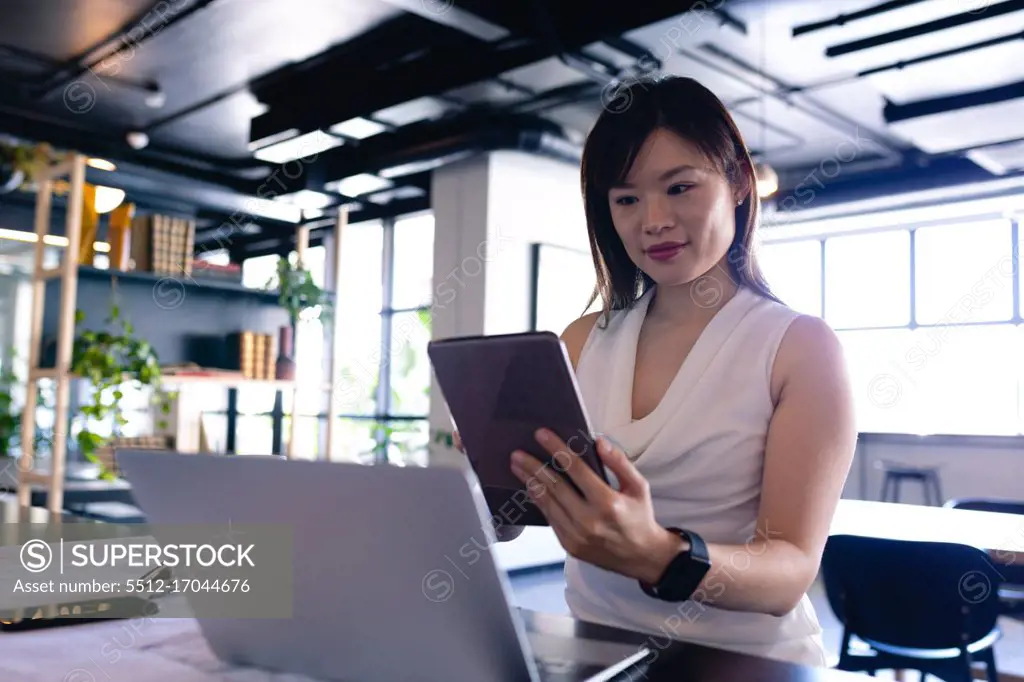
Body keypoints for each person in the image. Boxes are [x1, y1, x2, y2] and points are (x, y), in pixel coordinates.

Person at [453, 75, 856, 666]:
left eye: (680, 187)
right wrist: (491, 479)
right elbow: (513, 523)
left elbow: (791, 571)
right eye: (627, 199)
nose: (654, 220)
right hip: (599, 654)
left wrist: (660, 555)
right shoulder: (581, 339)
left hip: (746, 663)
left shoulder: (799, 348)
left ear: (740, 184)